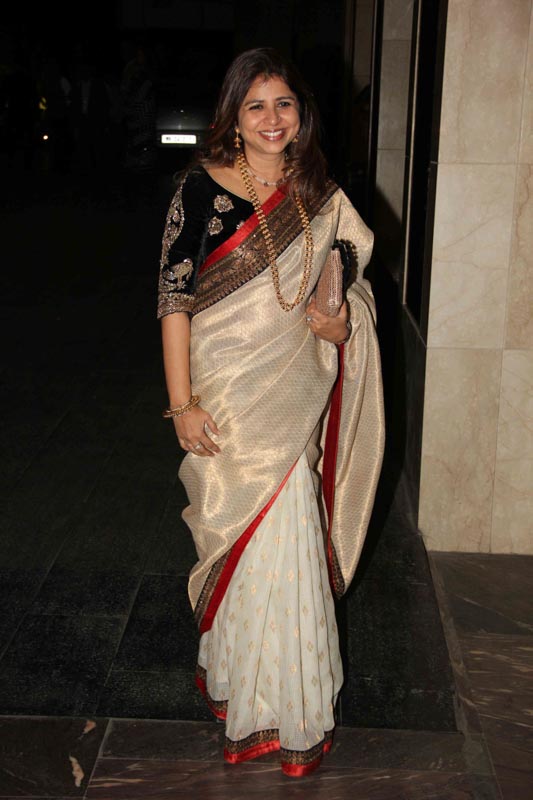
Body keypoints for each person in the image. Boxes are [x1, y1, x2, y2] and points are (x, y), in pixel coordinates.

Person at [156, 47, 385, 777]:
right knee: (242, 536)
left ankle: (291, 704)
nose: (271, 118)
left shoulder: (321, 195)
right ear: (233, 116)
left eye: (283, 103)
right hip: (225, 396)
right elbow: (172, 302)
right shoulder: (199, 189)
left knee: (288, 534)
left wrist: (341, 321)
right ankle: (242, 681)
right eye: (255, 105)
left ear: (300, 114)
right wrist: (181, 404)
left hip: (292, 393)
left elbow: (346, 292)